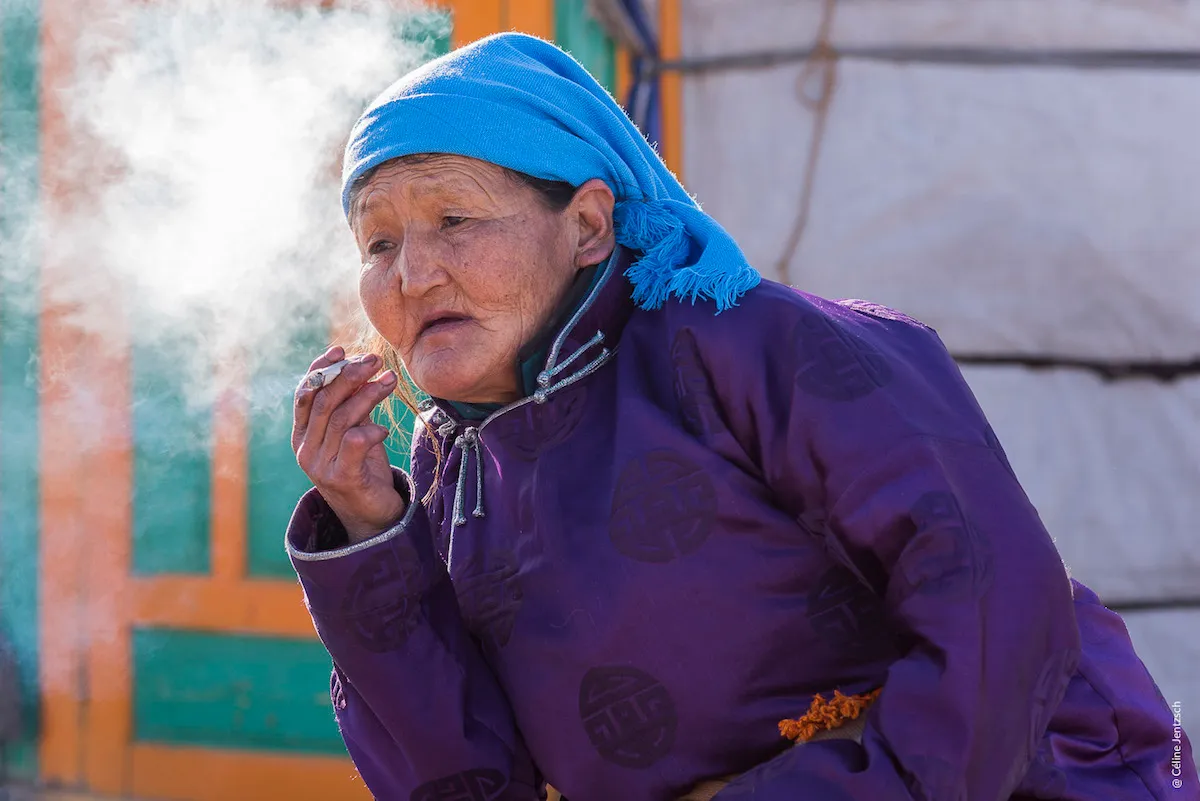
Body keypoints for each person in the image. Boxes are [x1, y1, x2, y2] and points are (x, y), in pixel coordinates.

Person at [286, 32, 1196, 801]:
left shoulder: (755, 348)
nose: (410, 274)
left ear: (589, 224)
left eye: (453, 217)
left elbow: (995, 601)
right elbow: (471, 777)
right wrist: (369, 525)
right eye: (378, 241)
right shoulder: (455, 471)